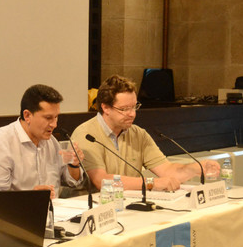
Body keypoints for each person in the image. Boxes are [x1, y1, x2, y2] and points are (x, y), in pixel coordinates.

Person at [71, 74, 220, 191]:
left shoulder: (138, 134)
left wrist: (195, 168)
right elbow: (102, 181)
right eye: (124, 109)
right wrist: (151, 183)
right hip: (98, 209)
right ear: (105, 108)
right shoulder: (87, 135)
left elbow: (167, 170)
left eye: (134, 107)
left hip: (131, 205)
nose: (132, 114)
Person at [0, 84, 84, 197]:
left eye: (56, 117)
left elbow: (72, 182)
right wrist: (31, 199)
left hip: (56, 211)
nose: (54, 124)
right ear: (27, 115)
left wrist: (74, 165)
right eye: (48, 118)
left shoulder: (51, 141)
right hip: (19, 213)